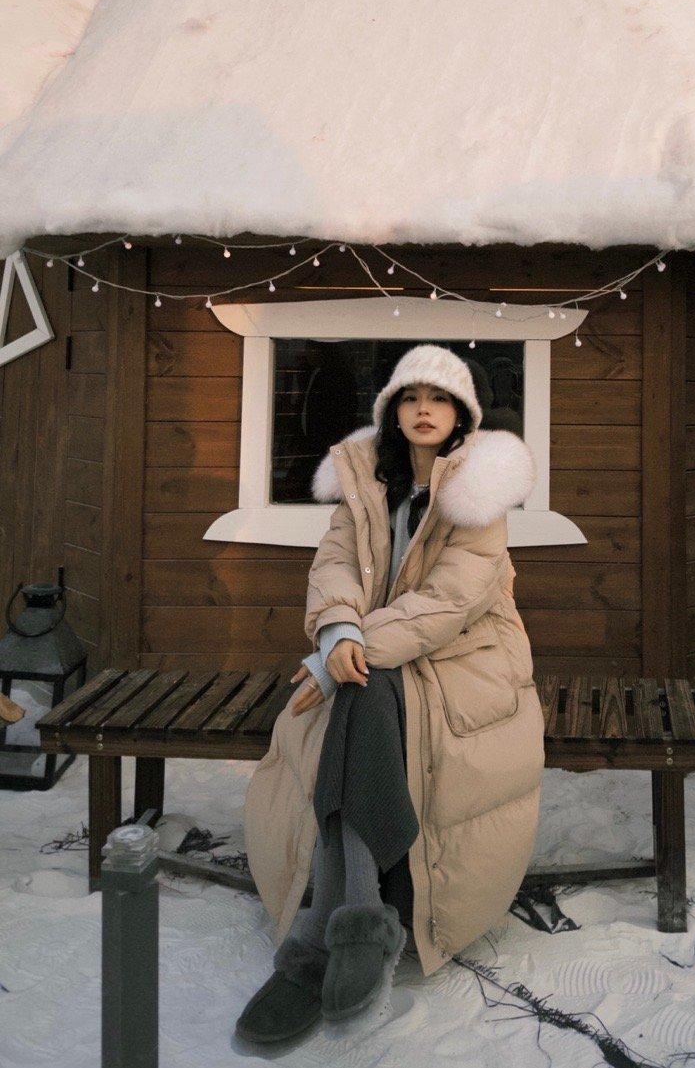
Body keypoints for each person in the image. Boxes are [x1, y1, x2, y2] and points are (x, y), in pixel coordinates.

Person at [236, 344, 545, 1045]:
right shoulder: (366, 480)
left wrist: (338, 657)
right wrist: (339, 631)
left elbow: (448, 603)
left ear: (462, 413)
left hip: (466, 656)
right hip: (376, 650)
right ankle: (360, 917)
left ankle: (320, 928)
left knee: (354, 686)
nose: (424, 409)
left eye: (439, 398)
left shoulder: (480, 492)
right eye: (411, 398)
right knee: (361, 691)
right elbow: (335, 561)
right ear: (393, 413)